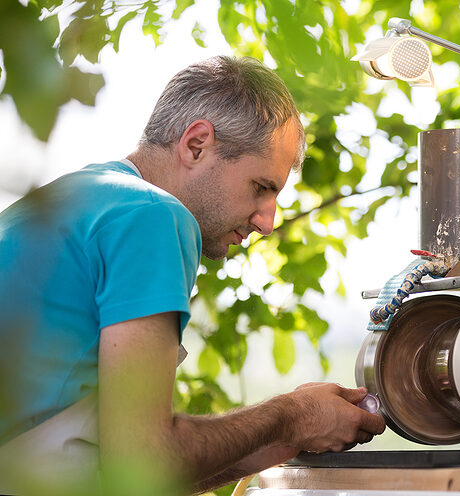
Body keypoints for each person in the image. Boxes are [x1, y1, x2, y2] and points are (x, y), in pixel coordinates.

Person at [0, 56, 386, 493]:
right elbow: (144, 462)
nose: (267, 222)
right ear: (197, 144)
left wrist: (290, 433)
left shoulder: (83, 201)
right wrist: (292, 414)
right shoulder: (152, 215)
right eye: (261, 188)